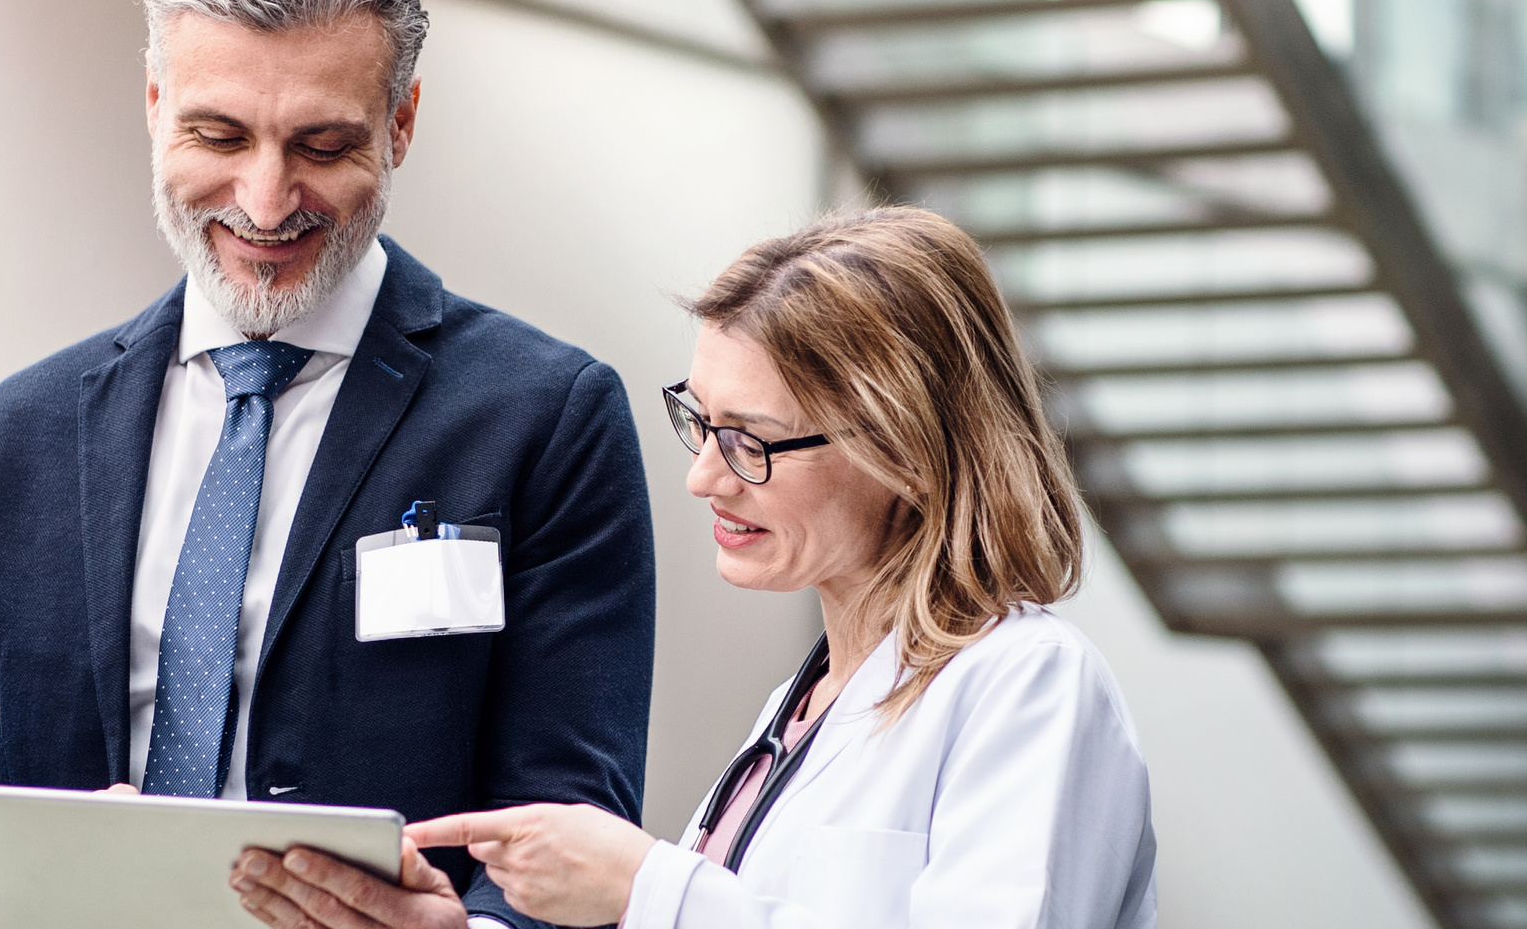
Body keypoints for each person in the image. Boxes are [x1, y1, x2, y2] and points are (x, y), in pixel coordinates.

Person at [0, 0, 660, 927]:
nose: (267, 199)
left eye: (323, 145)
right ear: (156, 105)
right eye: (219, 136)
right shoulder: (18, 434)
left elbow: (576, 828)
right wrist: (62, 887)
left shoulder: (546, 418)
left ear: (401, 122)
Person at [252, 208, 1159, 929]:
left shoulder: (1029, 686)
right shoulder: (795, 715)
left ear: (910, 450)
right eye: (701, 423)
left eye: (752, 443)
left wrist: (649, 887)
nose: (702, 478)